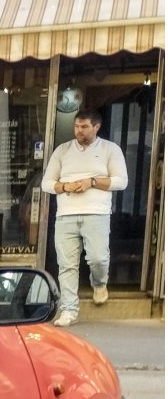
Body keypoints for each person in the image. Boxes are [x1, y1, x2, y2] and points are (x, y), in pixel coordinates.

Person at [40, 109, 127, 326]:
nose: (79, 130)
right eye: (77, 126)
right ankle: (69, 310)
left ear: (96, 127)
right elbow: (46, 184)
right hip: (66, 215)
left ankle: (99, 283)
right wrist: (65, 186)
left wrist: (92, 182)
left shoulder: (110, 149)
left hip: (97, 213)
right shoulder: (63, 150)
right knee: (66, 264)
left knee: (98, 258)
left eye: (84, 127)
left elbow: (121, 181)